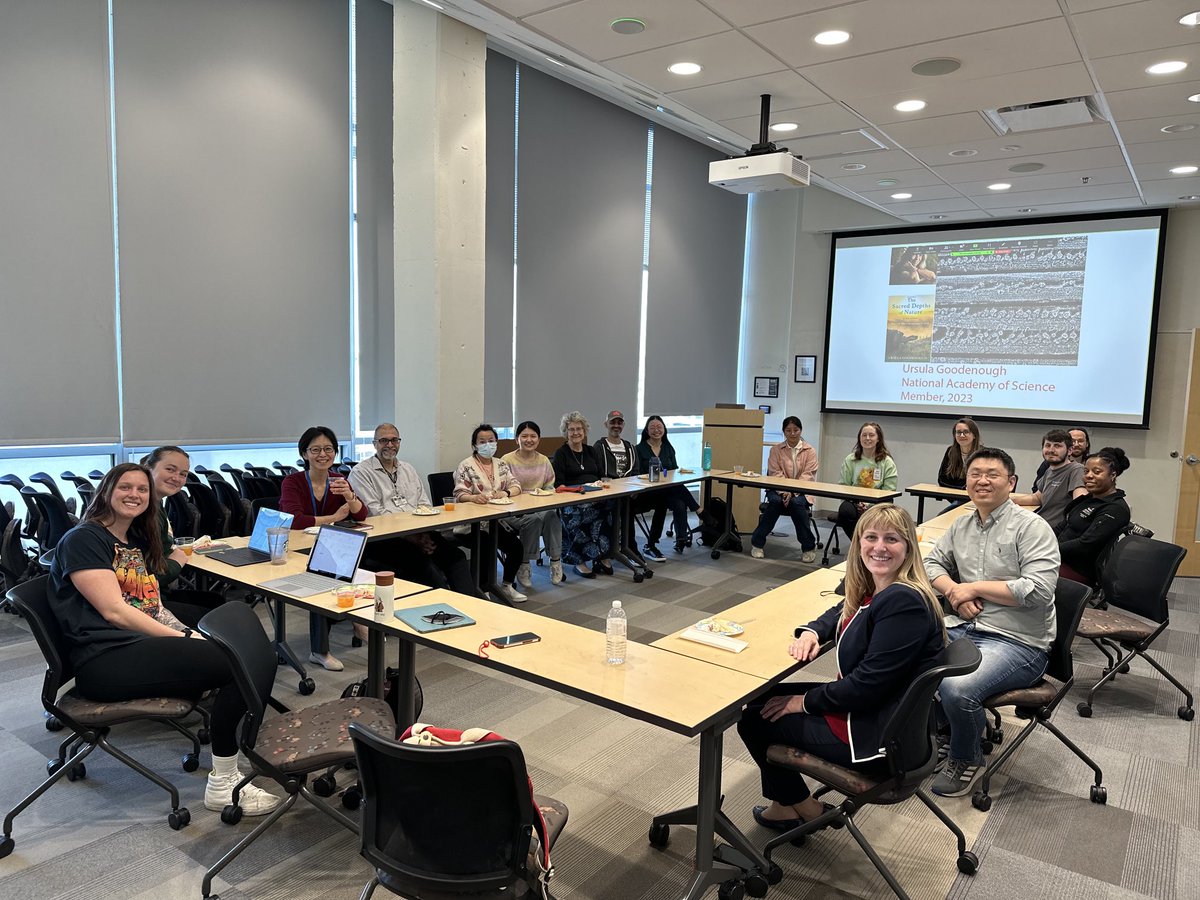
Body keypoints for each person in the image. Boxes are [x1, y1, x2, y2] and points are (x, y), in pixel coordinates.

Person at [48, 464, 280, 815]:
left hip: (130, 645)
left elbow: (149, 604)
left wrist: (188, 633)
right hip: (106, 659)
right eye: (125, 487)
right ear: (106, 492)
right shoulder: (84, 539)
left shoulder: (130, 539)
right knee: (235, 665)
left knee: (246, 651)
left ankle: (236, 754)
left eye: (142, 489)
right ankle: (224, 782)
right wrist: (181, 637)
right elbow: (115, 612)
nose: (134, 495)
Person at [737, 504, 945, 830]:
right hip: (879, 714)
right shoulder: (882, 588)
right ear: (858, 542)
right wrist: (812, 631)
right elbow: (844, 607)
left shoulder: (904, 602)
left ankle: (802, 808)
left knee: (755, 719)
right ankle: (790, 807)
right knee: (768, 695)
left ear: (908, 547)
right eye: (871, 537)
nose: (879, 546)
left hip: (874, 734)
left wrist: (801, 703)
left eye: (891, 539)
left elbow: (865, 687)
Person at [923, 447, 1059, 797]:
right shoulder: (962, 523)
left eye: (993, 474)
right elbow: (930, 565)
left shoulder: (1032, 527)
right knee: (908, 656)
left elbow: (1039, 590)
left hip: (1018, 641)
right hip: (966, 626)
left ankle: (966, 756)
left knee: (957, 687)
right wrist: (955, 592)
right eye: (975, 473)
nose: (982, 480)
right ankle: (947, 731)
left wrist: (972, 588)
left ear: (1011, 482)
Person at [348, 422, 483, 598]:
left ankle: (470, 606)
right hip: (386, 539)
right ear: (374, 444)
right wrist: (411, 537)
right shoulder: (361, 473)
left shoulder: (408, 469)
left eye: (394, 440)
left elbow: (424, 504)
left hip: (420, 533)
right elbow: (375, 513)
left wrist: (422, 534)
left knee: (456, 557)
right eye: (383, 440)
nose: (390, 445)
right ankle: (446, 611)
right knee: (425, 566)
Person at [279, 426, 368, 672]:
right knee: (322, 571)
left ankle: (356, 619)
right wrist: (332, 517)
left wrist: (349, 497)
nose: (323, 454)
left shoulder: (338, 480)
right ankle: (320, 650)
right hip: (297, 548)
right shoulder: (293, 481)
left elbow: (361, 513)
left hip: (330, 545)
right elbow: (294, 520)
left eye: (328, 449)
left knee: (359, 561)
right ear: (304, 454)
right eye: (315, 449)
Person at [141, 445, 226, 625]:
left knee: (216, 602)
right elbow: (151, 575)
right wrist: (178, 558)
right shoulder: (144, 511)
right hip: (148, 602)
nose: (177, 478)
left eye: (183, 474)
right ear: (149, 468)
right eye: (170, 469)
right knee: (220, 616)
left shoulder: (156, 505)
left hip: (156, 593)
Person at [454, 424, 526, 603]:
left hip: (495, 521)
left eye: (491, 441)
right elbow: (459, 494)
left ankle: (507, 585)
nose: (488, 445)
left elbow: (516, 485)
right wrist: (472, 498)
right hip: (469, 525)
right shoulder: (466, 465)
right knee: (485, 544)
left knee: (516, 546)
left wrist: (506, 492)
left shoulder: (500, 464)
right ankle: (483, 590)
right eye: (482, 441)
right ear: (474, 445)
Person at [635, 414, 711, 560]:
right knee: (670, 497)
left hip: (667, 489)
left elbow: (673, 471)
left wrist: (665, 473)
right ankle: (698, 509)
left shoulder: (668, 448)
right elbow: (637, 473)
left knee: (679, 503)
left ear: (664, 429)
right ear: (646, 430)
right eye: (652, 427)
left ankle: (680, 540)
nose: (656, 430)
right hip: (648, 491)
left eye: (659, 427)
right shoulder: (639, 449)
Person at [501, 420, 564, 588]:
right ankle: (524, 564)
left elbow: (550, 486)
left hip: (540, 506)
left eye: (533, 436)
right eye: (524, 436)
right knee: (533, 520)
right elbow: (501, 488)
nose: (529, 440)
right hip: (514, 511)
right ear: (517, 439)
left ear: (538, 439)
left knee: (551, 515)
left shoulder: (543, 460)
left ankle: (556, 561)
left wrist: (544, 494)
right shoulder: (506, 460)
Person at [551, 411, 613, 579]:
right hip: (572, 499)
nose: (576, 432)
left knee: (610, 507)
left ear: (585, 431)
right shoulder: (561, 453)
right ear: (566, 432)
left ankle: (602, 555)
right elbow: (559, 484)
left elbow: (600, 475)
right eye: (571, 429)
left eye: (579, 429)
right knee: (582, 514)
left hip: (595, 496)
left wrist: (598, 485)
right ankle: (579, 561)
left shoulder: (591, 451)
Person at [1056, 447, 1132, 585]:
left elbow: (1085, 544)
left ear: (1112, 475)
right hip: (1058, 558)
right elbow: (1062, 526)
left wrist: (1048, 550)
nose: (1089, 476)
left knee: (1015, 572)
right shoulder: (1086, 499)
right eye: (1086, 471)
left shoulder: (1115, 508)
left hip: (1078, 569)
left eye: (1097, 472)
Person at [749, 416, 819, 563]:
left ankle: (808, 547)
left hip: (803, 490)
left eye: (796, 430)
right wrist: (784, 491)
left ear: (801, 430)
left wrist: (792, 492)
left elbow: (808, 475)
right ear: (784, 432)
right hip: (778, 489)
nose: (792, 433)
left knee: (796, 503)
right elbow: (774, 472)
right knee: (775, 503)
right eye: (788, 430)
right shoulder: (776, 450)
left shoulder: (810, 451)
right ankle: (757, 543)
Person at [1012, 428, 1087, 529]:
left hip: (1053, 530)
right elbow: (1037, 498)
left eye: (1057, 446)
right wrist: (1006, 499)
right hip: (1039, 523)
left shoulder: (1077, 470)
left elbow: (1080, 504)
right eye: (1047, 445)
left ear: (1069, 450)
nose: (1051, 450)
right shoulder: (1049, 470)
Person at [836, 422, 898, 539]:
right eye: (864, 435)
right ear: (859, 438)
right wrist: (857, 502)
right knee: (845, 510)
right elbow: (844, 485)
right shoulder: (850, 460)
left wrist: (869, 505)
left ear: (878, 438)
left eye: (871, 435)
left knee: (881, 511)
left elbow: (889, 490)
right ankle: (859, 545)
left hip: (878, 503)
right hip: (854, 502)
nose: (867, 438)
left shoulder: (887, 462)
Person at [936, 418, 981, 490]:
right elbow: (942, 479)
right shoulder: (950, 451)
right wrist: (961, 489)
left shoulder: (982, 453)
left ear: (974, 435)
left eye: (966, 432)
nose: (962, 435)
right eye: (958, 432)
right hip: (954, 494)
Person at [594, 410, 639, 478]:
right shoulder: (599, 447)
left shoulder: (631, 448)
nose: (616, 426)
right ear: (606, 424)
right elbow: (598, 473)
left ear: (623, 425)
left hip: (628, 487)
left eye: (619, 423)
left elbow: (636, 473)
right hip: (608, 487)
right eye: (612, 423)